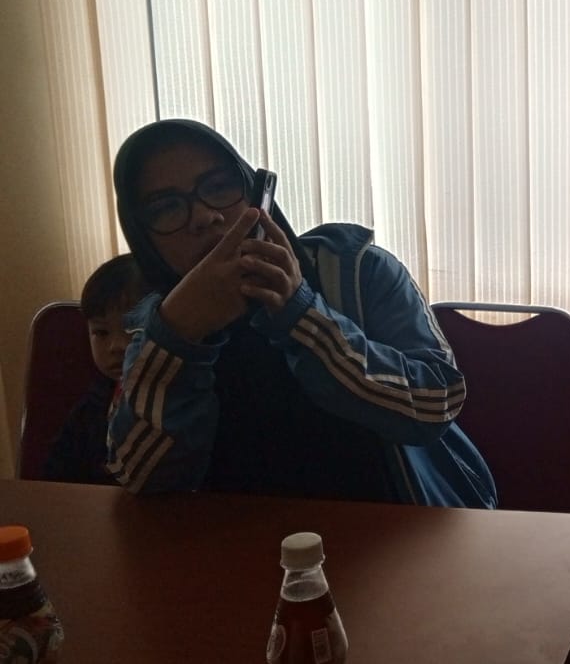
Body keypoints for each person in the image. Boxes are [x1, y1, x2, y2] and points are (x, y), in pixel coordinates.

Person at [107, 119, 495, 508]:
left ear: (256, 194)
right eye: (166, 207)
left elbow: (437, 404)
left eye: (219, 187)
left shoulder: (357, 271)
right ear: (144, 238)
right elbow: (137, 474)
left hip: (395, 524)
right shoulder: (159, 321)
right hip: (235, 535)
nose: (203, 217)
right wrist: (177, 338)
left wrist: (302, 313)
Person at [42, 254, 147, 485]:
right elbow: (55, 474)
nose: (116, 346)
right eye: (101, 332)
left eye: (133, 330)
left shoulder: (181, 399)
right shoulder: (93, 405)